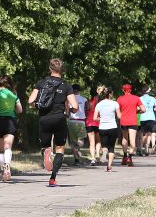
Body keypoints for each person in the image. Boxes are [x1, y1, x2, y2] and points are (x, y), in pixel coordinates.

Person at [28, 58, 78, 187]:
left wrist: (37, 105)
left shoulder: (42, 82)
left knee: (46, 146)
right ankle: (52, 178)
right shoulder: (66, 85)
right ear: (63, 70)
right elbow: (75, 106)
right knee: (60, 148)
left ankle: (46, 151)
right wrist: (70, 109)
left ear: (50, 69)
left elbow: (30, 101)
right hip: (59, 119)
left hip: (44, 119)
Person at [0, 74, 21, 182]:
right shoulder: (14, 95)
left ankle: (3, 171)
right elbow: (20, 110)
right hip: (11, 121)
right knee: (8, 146)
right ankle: (8, 166)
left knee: (1, 149)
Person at [93, 86, 121, 172]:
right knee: (111, 147)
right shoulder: (115, 103)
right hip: (112, 126)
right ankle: (109, 166)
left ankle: (104, 152)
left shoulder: (99, 104)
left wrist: (101, 119)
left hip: (102, 127)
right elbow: (119, 116)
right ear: (111, 94)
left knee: (104, 145)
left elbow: (94, 118)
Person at [116, 83, 143, 166]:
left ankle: (124, 156)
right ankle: (130, 157)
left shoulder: (119, 99)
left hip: (124, 121)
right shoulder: (136, 98)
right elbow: (143, 109)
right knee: (132, 140)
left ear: (123, 90)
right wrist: (137, 111)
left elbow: (118, 111)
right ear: (131, 90)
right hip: (133, 121)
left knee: (124, 138)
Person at [67, 84, 88, 164]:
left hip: (71, 121)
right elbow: (87, 110)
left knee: (73, 142)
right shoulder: (84, 99)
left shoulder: (69, 100)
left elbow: (67, 110)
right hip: (81, 121)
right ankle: (77, 146)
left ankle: (76, 159)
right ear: (79, 90)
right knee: (81, 141)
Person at [139, 85, 156, 157]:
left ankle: (141, 148)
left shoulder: (140, 98)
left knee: (143, 134)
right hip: (151, 117)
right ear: (148, 91)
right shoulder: (153, 99)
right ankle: (147, 146)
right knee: (149, 133)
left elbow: (138, 108)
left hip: (143, 117)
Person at [85, 87, 101, 166]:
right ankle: (97, 155)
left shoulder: (87, 101)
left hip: (89, 122)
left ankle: (93, 158)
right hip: (97, 122)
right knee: (98, 141)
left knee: (92, 142)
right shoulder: (98, 100)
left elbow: (86, 111)